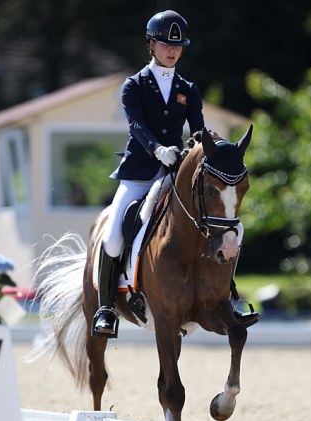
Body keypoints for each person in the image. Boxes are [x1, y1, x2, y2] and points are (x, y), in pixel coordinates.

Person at [92, 10, 205, 337]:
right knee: (113, 235)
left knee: (209, 219)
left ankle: (224, 294)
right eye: (165, 45)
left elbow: (197, 132)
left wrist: (200, 149)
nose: (172, 51)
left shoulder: (188, 89)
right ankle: (106, 308)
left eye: (178, 46)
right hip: (140, 174)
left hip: (174, 175)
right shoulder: (134, 86)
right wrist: (158, 149)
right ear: (151, 45)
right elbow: (137, 126)